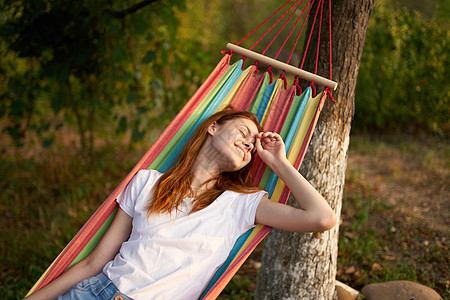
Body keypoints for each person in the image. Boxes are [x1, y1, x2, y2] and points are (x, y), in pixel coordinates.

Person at [26, 109, 336, 300]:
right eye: (244, 132)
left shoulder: (241, 205)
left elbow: (321, 218)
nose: (249, 143)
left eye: (253, 146)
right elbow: (94, 264)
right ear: (213, 126)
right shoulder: (147, 182)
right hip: (95, 292)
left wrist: (278, 162)